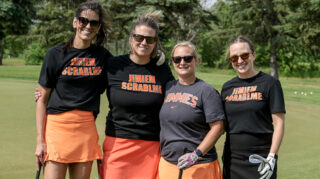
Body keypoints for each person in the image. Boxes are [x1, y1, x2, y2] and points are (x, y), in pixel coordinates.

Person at [34, 2, 112, 179]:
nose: (88, 26)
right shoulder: (55, 54)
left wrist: (156, 58)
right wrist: (40, 141)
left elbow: (126, 69)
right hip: (56, 128)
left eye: (94, 23)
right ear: (75, 22)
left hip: (85, 130)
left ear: (98, 27)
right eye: (84, 20)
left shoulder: (103, 56)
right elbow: (42, 99)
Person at [102, 10, 174, 179]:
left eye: (149, 39)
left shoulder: (161, 69)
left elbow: (176, 97)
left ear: (155, 42)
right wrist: (47, 92)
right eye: (139, 37)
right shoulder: (114, 65)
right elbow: (87, 87)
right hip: (118, 143)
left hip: (151, 146)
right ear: (131, 38)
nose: (143, 42)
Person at [221, 36, 286, 179]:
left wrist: (272, 157)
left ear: (253, 55)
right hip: (233, 158)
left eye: (244, 55)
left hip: (261, 157)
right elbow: (222, 124)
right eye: (234, 58)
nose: (239, 61)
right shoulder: (227, 87)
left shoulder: (270, 83)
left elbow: (279, 123)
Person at [158, 41, 225, 179]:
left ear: (196, 60)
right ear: (173, 62)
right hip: (168, 164)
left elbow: (218, 127)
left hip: (199, 166)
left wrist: (197, 154)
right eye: (177, 59)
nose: (182, 62)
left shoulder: (206, 91)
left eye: (187, 58)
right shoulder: (168, 87)